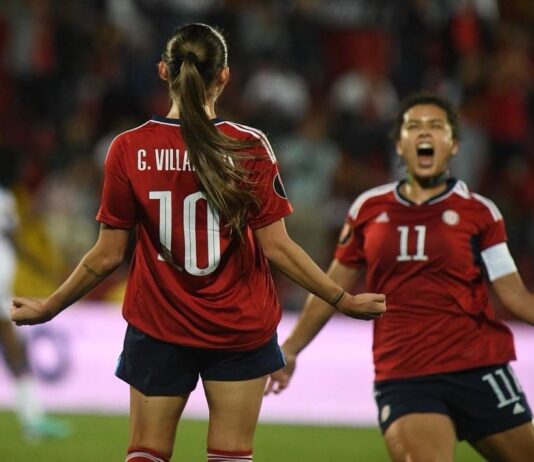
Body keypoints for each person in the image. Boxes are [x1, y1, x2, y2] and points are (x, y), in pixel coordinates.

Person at [10, 23, 386, 462]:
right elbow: (278, 248)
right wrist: (342, 299)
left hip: (159, 326)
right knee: (230, 456)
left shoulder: (128, 148)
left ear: (162, 71)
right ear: (224, 76)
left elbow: (107, 255)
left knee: (146, 454)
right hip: (239, 327)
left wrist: (49, 306)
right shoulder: (247, 146)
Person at [266, 93, 534, 462]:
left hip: (480, 368)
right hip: (407, 375)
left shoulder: (481, 213)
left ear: (454, 144)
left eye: (436, 126)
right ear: (399, 144)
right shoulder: (369, 209)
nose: (425, 133)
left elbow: (515, 296)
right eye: (414, 126)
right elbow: (333, 286)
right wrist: (291, 348)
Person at [0, 151, 69, 440]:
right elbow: (15, 240)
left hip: (4, 286)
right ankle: (32, 419)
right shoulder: (5, 198)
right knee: (14, 348)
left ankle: (32, 418)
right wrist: (43, 267)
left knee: (15, 349)